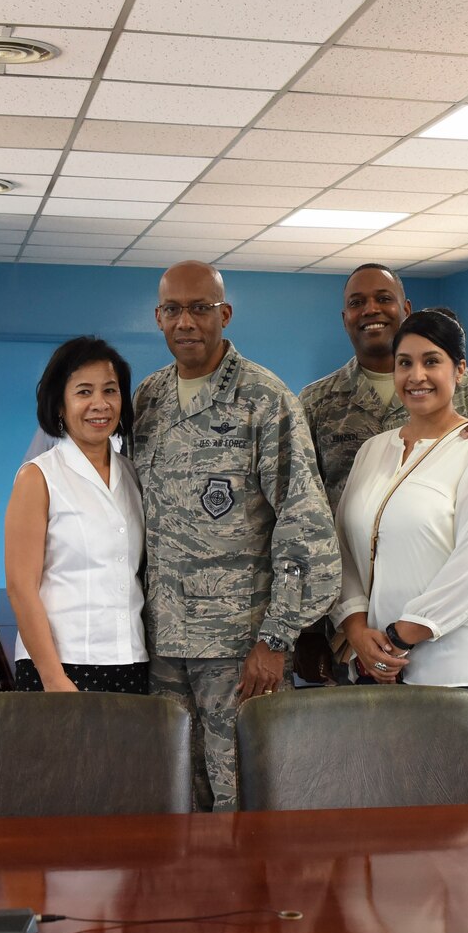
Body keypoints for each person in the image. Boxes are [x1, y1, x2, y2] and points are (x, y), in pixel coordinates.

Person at [134, 260, 340, 811]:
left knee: (248, 796)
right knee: (177, 795)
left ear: (224, 314)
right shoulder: (148, 400)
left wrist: (276, 640)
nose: (186, 322)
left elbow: (305, 525)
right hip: (165, 646)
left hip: (241, 651)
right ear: (157, 318)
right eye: (173, 309)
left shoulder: (264, 399)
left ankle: (259, 901)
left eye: (200, 308)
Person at [331, 311, 468, 798]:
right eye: (404, 363)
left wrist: (400, 637)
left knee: (464, 832)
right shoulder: (373, 450)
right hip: (383, 667)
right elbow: (346, 550)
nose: (416, 376)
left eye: (431, 362)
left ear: (460, 371)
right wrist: (356, 628)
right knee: (395, 820)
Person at [300, 264, 468, 509]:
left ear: (406, 310)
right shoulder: (316, 401)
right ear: (345, 319)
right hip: (348, 545)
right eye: (356, 303)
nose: (371, 309)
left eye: (383, 298)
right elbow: (300, 500)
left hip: (446, 542)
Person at [4, 336, 149, 695]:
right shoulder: (38, 476)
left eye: (110, 391)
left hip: (129, 660)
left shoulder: (132, 474)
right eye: (83, 392)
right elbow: (21, 588)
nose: (99, 404)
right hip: (59, 665)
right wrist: (53, 678)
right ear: (59, 404)